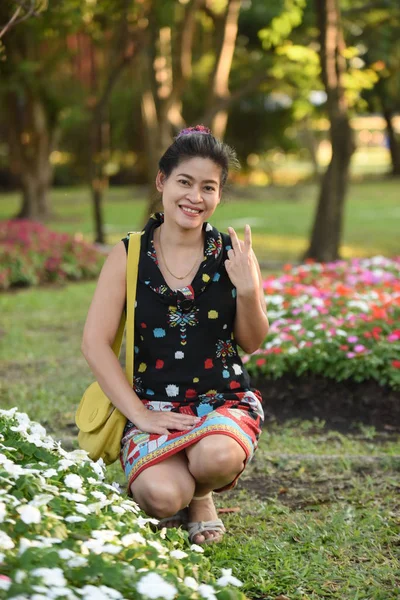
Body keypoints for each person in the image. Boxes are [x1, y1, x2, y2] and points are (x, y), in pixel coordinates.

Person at [81, 125, 269, 545]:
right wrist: (141, 415)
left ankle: (202, 495)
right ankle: (172, 482)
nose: (195, 197)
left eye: (209, 187)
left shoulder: (233, 254)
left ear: (219, 195)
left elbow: (252, 341)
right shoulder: (129, 254)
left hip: (221, 402)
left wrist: (250, 290)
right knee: (162, 498)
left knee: (216, 458)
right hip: (152, 407)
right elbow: (94, 343)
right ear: (162, 181)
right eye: (185, 182)